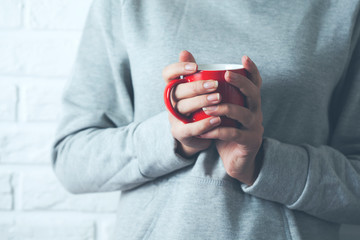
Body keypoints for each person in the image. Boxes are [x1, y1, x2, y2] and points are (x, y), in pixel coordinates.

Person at [52, 0, 360, 239]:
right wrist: (171, 137)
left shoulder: (345, 10)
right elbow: (71, 158)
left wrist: (264, 163)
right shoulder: (127, 5)